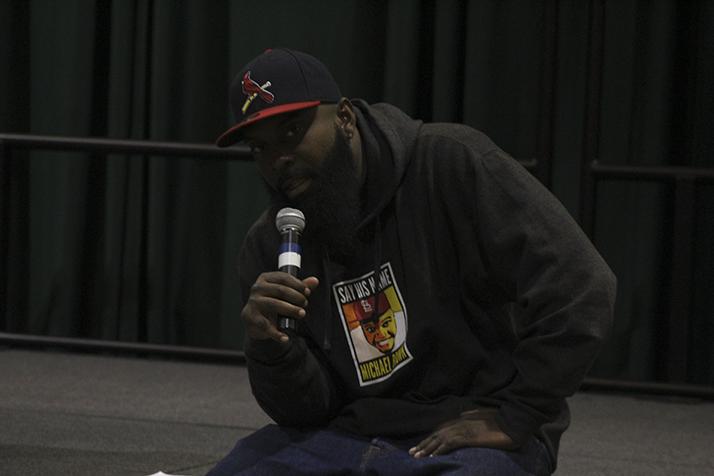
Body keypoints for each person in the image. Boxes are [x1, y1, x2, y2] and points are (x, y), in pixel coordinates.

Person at [208, 48, 616, 475]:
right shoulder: (272, 243)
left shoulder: (450, 163)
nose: (278, 161)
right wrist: (271, 349)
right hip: (345, 437)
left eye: (292, 132)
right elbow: (306, 411)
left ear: (344, 118)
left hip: (465, 435)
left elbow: (582, 285)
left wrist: (519, 413)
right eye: (259, 149)